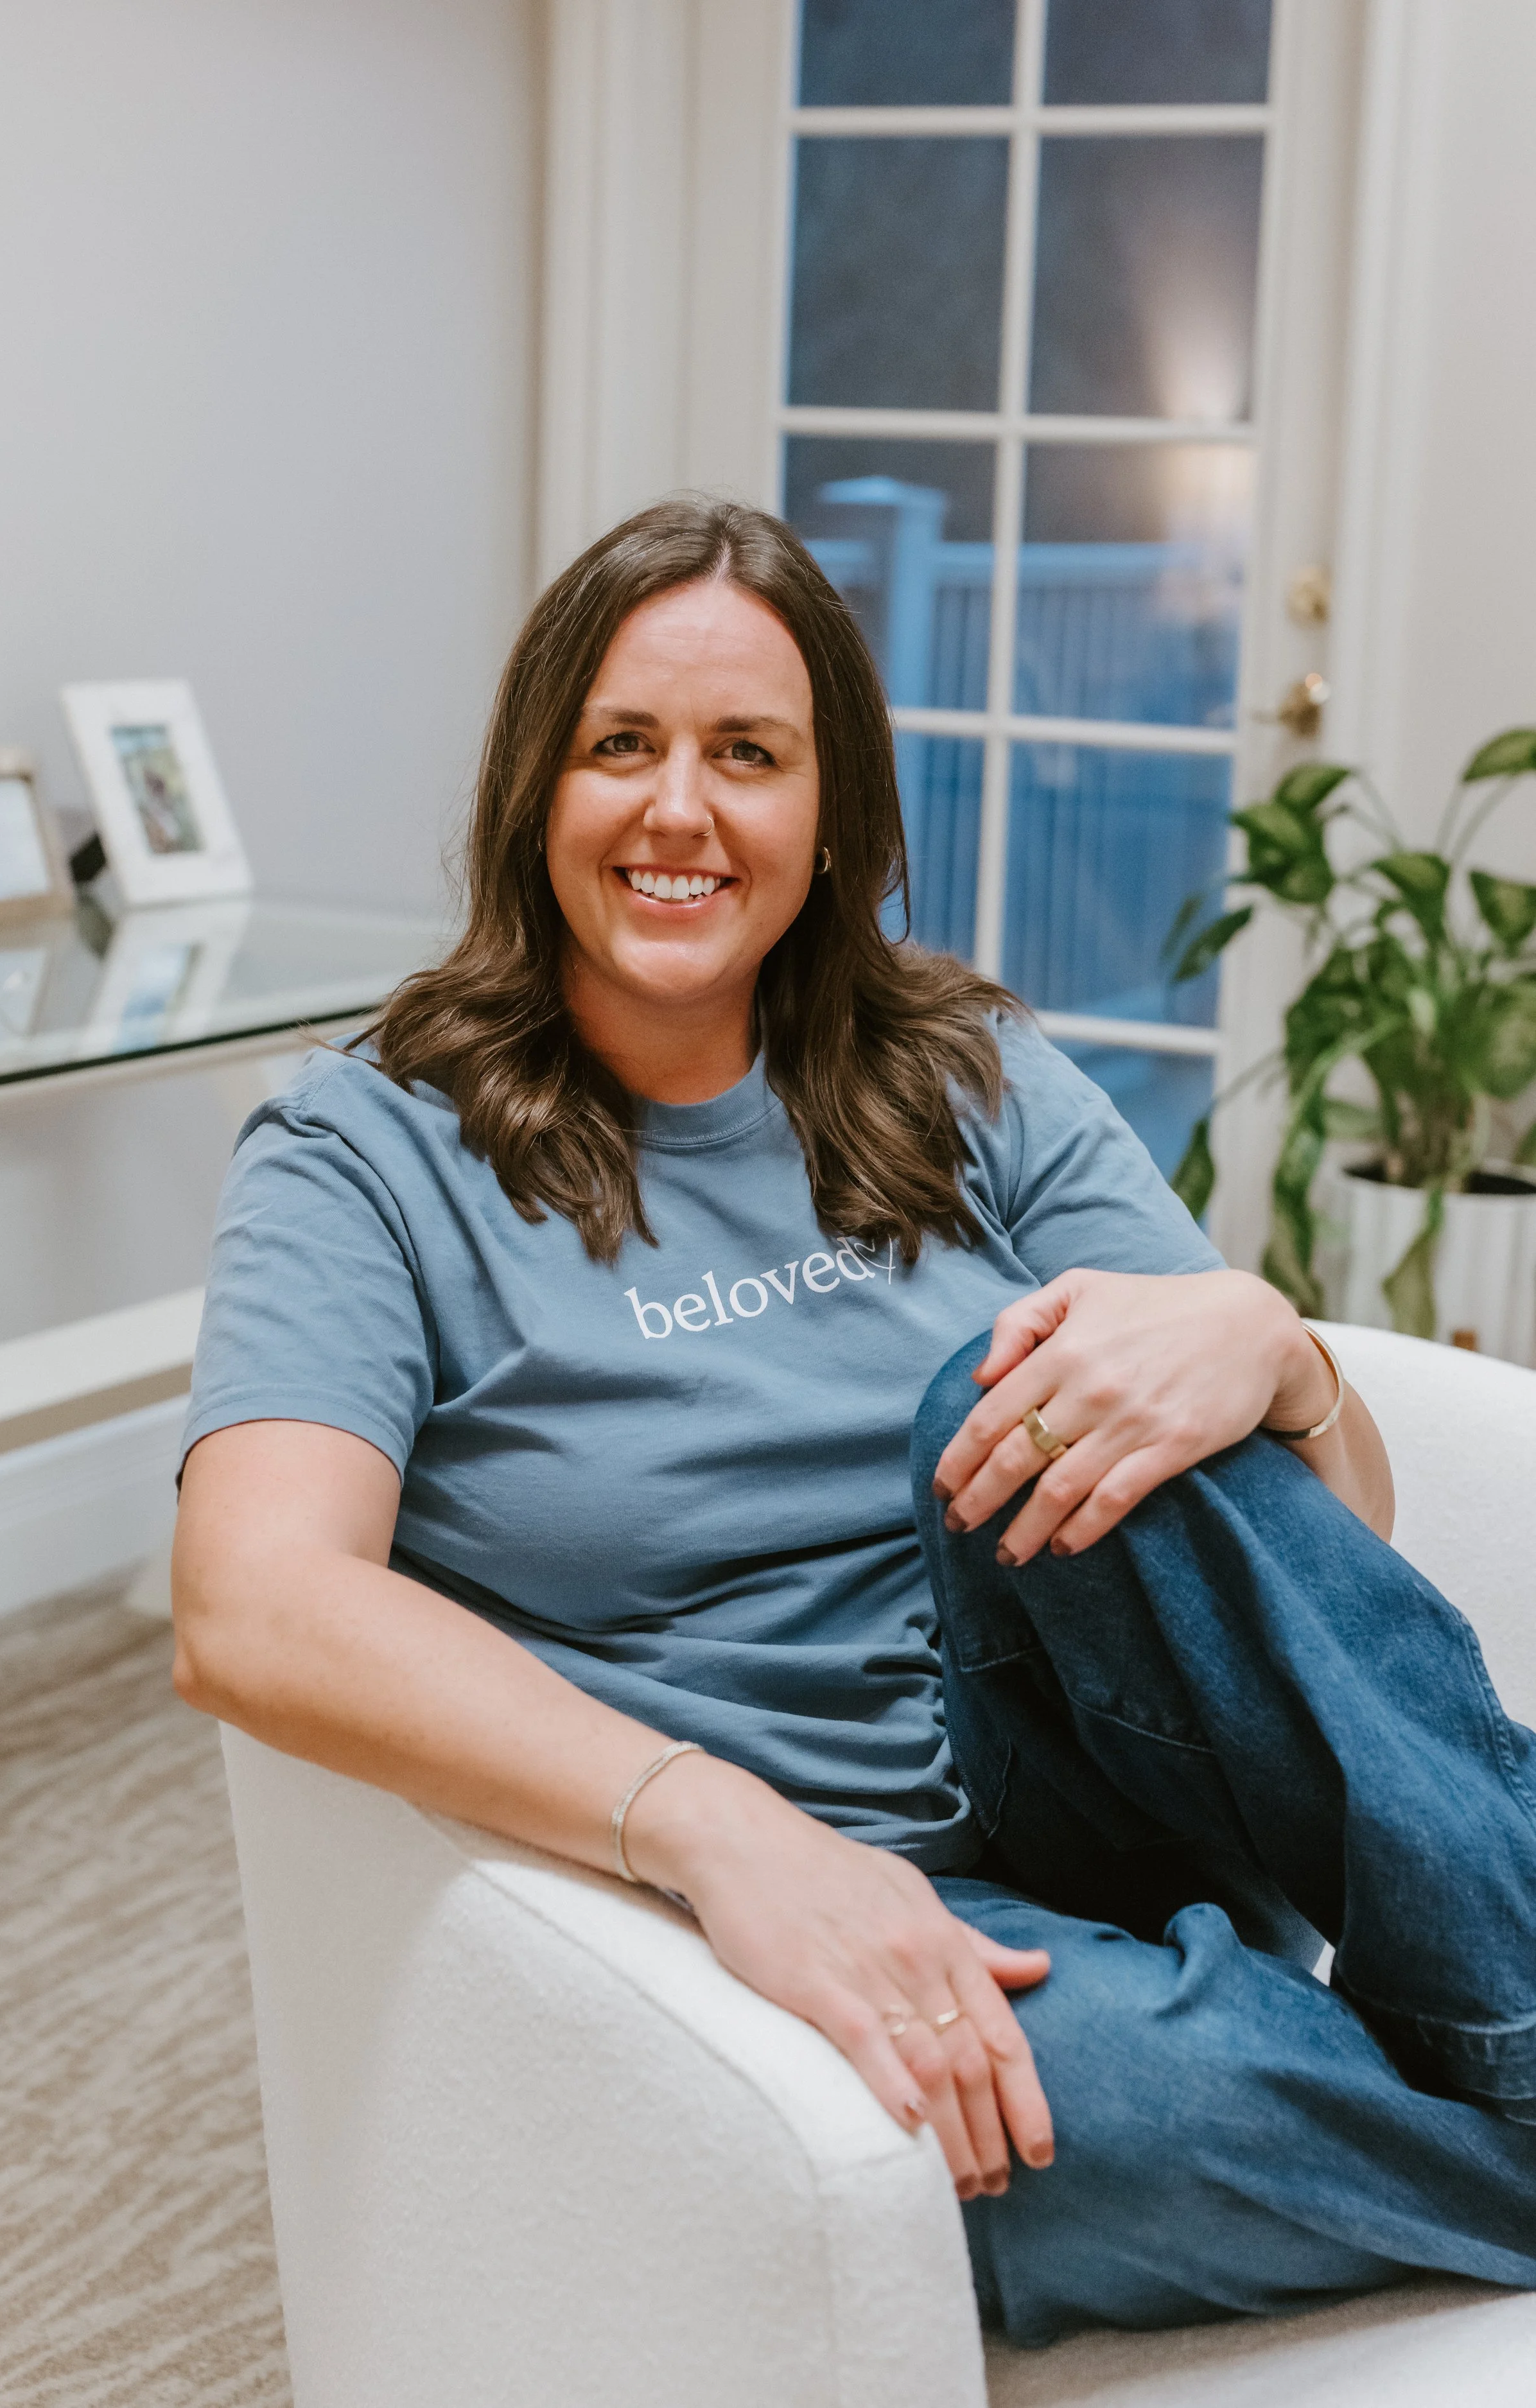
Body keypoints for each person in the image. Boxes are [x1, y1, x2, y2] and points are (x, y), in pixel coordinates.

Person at [172, 497, 1536, 2346]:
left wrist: (1270, 1348)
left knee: (1065, 1378)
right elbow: (253, 1605)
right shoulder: (365, 1154)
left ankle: (1461, 2021)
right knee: (1078, 2116)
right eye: (620, 747)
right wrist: (727, 1833)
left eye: (748, 753)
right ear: (532, 793)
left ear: (829, 818)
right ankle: (1417, 2083)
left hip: (1108, 1764)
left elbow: (1323, 1549)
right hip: (820, 1902)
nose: (680, 811)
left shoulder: (968, 1070)